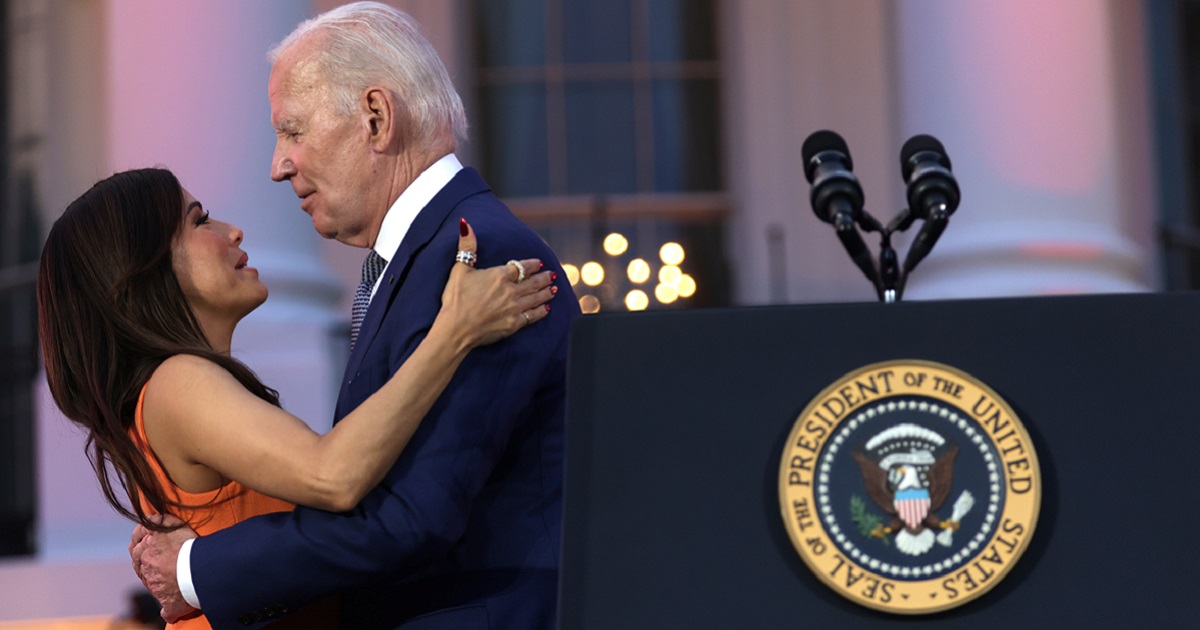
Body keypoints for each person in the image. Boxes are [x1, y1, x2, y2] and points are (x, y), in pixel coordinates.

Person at [130, 2, 581, 628]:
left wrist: (197, 568)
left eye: (293, 131)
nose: (277, 164)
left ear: (376, 117)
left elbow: (408, 517)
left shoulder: (479, 261)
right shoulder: (420, 263)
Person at [37, 167, 554, 628]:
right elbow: (335, 476)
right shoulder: (177, 382)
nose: (232, 230)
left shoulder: (167, 391)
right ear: (145, 270)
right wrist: (455, 332)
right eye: (200, 221)